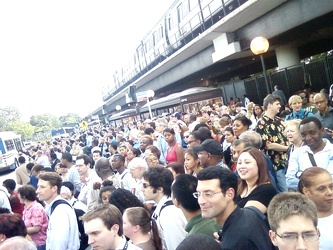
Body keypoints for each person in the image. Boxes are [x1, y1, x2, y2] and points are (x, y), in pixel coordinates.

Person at [196, 167, 274, 249]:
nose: (201, 201)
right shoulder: (251, 213)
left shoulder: (234, 243)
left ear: (229, 194)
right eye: (198, 194)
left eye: (208, 194)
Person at [142, 166, 187, 250]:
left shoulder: (170, 215)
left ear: (159, 189)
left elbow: (176, 247)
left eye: (145, 185)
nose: (142, 189)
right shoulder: (163, 209)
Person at [286, 117, 333, 190]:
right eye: (303, 135)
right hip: (306, 200)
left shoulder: (331, 151)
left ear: (322, 130)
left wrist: (301, 177)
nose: (308, 138)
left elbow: (331, 179)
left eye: (312, 133)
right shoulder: (297, 154)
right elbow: (290, 180)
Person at [36, 172, 80, 250]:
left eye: (42, 187)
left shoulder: (60, 211)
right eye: (38, 187)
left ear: (54, 189)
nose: (37, 191)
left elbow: (59, 243)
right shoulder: (56, 207)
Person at [256, 94, 288, 192]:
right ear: (269, 105)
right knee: (285, 193)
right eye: (277, 104)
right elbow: (268, 145)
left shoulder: (279, 120)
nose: (279, 106)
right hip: (275, 164)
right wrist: (288, 148)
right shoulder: (261, 123)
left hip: (287, 161)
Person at [298, 168, 333, 250]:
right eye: (321, 189)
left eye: (331, 186)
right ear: (306, 192)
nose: (330, 192)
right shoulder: (297, 218)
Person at [236, 148, 277, 215]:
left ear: (259, 164)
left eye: (247, 162)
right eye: (239, 163)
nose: (242, 166)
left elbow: (245, 217)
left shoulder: (266, 190)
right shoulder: (237, 186)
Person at [17, 185, 48, 250]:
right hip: (31, 242)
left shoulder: (36, 208)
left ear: (24, 197)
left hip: (39, 243)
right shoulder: (26, 207)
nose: (18, 197)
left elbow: (36, 228)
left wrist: (20, 231)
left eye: (19, 195)